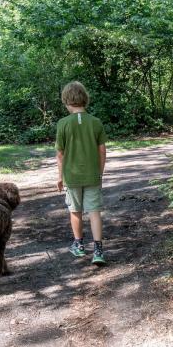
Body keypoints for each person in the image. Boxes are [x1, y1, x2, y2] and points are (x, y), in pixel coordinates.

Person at [55, 81, 107, 265]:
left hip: (72, 176)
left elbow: (60, 154)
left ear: (67, 100)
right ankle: (98, 250)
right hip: (92, 175)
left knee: (75, 210)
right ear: (85, 99)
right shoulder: (95, 122)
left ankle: (78, 245)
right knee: (94, 211)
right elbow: (102, 150)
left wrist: (60, 177)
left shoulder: (63, 124)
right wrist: (99, 172)